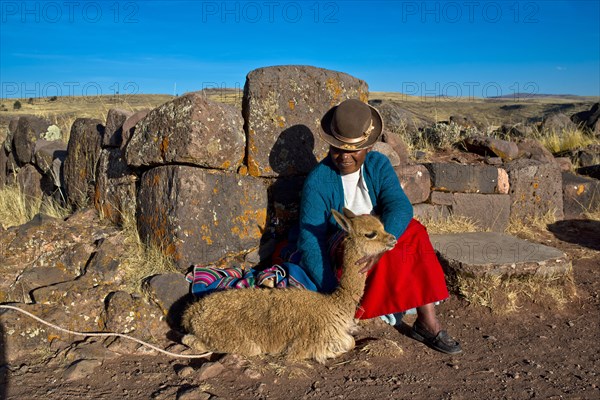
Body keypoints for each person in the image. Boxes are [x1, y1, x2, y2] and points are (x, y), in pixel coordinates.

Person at [290, 98, 462, 355]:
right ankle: (366, 307)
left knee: (414, 232)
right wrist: (333, 294)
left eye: (353, 150)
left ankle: (427, 321)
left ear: (368, 147)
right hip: (347, 251)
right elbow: (310, 238)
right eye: (337, 148)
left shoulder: (378, 166)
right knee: (373, 246)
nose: (344, 156)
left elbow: (399, 206)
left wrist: (380, 248)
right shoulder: (319, 181)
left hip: (377, 242)